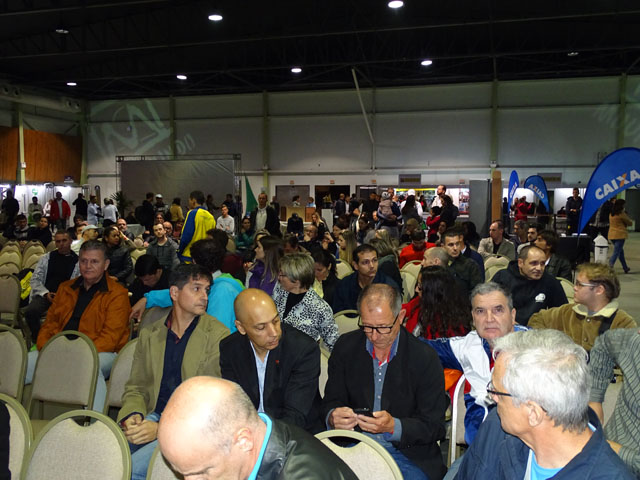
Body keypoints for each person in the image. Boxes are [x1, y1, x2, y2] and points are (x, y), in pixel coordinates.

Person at [455, 328, 635, 480]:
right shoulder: (497, 426)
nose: (492, 398)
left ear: (533, 413)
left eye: (497, 392)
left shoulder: (611, 475)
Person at [324, 284, 448, 480]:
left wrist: (394, 427)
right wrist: (332, 417)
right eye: (367, 326)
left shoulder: (424, 358)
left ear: (401, 317)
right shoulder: (346, 348)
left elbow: (435, 426)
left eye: (383, 327)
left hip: (406, 455)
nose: (374, 336)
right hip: (353, 446)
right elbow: (330, 401)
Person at [118, 264, 230, 480]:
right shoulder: (150, 334)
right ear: (174, 293)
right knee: (106, 456)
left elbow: (209, 403)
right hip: (151, 415)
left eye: (207, 290)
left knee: (131, 469)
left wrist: (160, 428)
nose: (204, 296)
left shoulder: (218, 335)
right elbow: (136, 387)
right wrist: (133, 415)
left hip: (192, 428)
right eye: (196, 288)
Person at [158, 377, 357, 480]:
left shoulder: (304, 476)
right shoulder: (262, 432)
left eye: (203, 472)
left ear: (244, 441)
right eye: (181, 474)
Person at [26, 240, 131, 413]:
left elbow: (110, 338)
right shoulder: (65, 288)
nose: (88, 266)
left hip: (102, 352)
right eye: (83, 261)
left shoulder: (118, 294)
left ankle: (96, 421)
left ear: (106, 265)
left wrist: (77, 353)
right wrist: (47, 347)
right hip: (59, 348)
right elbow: (49, 324)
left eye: (94, 261)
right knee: (19, 366)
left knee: (91, 368)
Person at [426, 282, 526, 449]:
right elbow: (420, 348)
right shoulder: (467, 346)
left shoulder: (535, 349)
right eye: (480, 311)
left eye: (498, 310)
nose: (489, 319)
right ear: (473, 317)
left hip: (521, 446)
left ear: (513, 315)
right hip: (478, 449)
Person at [220, 288, 323, 432]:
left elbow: (295, 416)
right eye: (261, 327)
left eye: (275, 321)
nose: (274, 333)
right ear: (241, 328)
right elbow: (234, 403)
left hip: (296, 434)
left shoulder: (303, 349)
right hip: (248, 431)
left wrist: (260, 437)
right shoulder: (230, 348)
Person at [131, 239, 243, 332]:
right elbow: (182, 293)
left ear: (194, 262)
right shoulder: (219, 284)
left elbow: (217, 335)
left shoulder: (222, 291)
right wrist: (148, 299)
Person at [528, 262, 636, 352]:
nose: (574, 288)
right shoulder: (566, 312)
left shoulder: (622, 323)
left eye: (580, 284)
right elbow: (537, 319)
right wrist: (552, 345)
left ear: (599, 290)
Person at [589, 328, 640, 476]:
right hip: (602, 457)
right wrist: (595, 399)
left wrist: (607, 446)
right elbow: (603, 345)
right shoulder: (635, 344)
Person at [272, 253, 338, 350]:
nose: (279, 277)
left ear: (296, 280)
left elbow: (333, 343)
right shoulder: (279, 291)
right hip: (274, 350)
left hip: (301, 355)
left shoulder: (320, 308)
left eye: (282, 275)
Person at [24, 230, 79, 344]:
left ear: (70, 241)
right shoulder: (47, 258)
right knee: (30, 311)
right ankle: (38, 339)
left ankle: (62, 342)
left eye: (64, 240)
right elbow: (35, 279)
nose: (61, 244)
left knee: (67, 316)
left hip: (66, 296)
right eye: (58, 241)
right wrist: (45, 293)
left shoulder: (77, 261)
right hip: (46, 294)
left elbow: (78, 282)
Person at [492, 245, 568, 326]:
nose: (539, 268)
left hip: (537, 329)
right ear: (520, 263)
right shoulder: (502, 278)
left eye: (542, 263)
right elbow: (489, 306)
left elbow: (562, 313)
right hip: (506, 326)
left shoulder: (550, 282)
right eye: (534, 263)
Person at [331, 244, 401, 313]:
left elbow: (393, 314)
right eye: (365, 262)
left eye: (374, 260)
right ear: (355, 265)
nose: (372, 266)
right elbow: (338, 314)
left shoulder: (388, 286)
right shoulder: (344, 284)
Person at [441, 227, 482, 297]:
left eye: (457, 244)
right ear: (443, 246)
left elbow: (477, 292)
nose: (455, 248)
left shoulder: (471, 265)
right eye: (451, 245)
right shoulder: (438, 264)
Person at [178, 190, 216, 263]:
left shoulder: (192, 213)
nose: (189, 202)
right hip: (204, 257)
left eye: (189, 200)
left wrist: (179, 251)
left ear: (193, 201)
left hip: (189, 257)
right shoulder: (211, 217)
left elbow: (186, 236)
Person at [608, 198, 632, 273]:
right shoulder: (621, 214)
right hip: (620, 235)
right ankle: (610, 265)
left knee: (620, 252)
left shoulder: (611, 214)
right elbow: (629, 223)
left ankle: (625, 267)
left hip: (612, 235)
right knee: (616, 252)